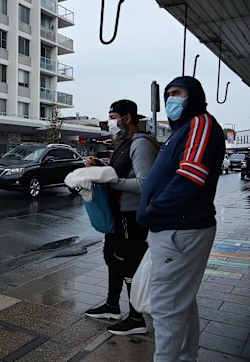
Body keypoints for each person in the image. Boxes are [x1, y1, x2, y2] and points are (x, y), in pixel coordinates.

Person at [137, 76, 225, 362]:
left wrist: (153, 210)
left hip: (180, 228)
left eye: (178, 93)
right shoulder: (184, 129)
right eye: (168, 95)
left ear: (194, 96)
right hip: (177, 227)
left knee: (166, 309)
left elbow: (190, 176)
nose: (171, 100)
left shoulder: (200, 124)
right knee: (181, 305)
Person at [84, 99, 159, 336]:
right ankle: (112, 305)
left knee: (128, 262)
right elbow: (124, 172)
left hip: (131, 215)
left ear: (127, 118)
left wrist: (109, 180)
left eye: (113, 117)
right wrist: (100, 166)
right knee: (113, 257)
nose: (111, 123)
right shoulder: (125, 143)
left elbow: (145, 183)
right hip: (118, 213)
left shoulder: (141, 144)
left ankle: (136, 317)